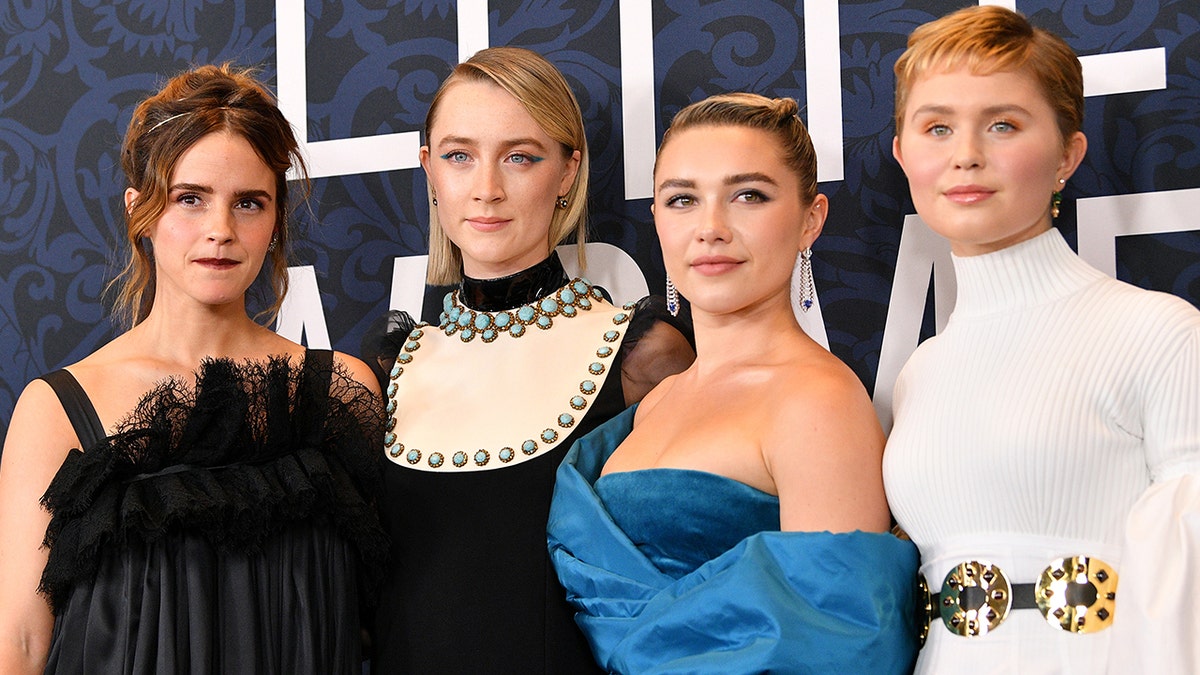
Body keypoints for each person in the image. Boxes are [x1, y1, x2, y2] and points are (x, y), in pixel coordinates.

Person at [0, 64, 387, 674]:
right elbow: (20, 643)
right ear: (140, 211)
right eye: (190, 198)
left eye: (249, 203)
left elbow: (389, 617)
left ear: (277, 219)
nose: (220, 231)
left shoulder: (339, 390)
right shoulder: (61, 407)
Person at [547, 93, 920, 673]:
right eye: (682, 200)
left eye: (749, 195)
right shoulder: (655, 402)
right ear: (658, 221)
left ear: (810, 219)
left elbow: (839, 645)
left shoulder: (816, 401)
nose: (710, 228)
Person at [884, 6, 1200, 673]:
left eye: (1002, 124)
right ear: (903, 154)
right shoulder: (919, 370)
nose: (965, 154)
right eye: (936, 126)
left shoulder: (1157, 331)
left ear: (1068, 154)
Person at [368, 46, 694, 674]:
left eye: (520, 157)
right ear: (428, 170)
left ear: (568, 171)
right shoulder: (384, 372)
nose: (486, 189)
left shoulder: (643, 355)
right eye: (460, 156)